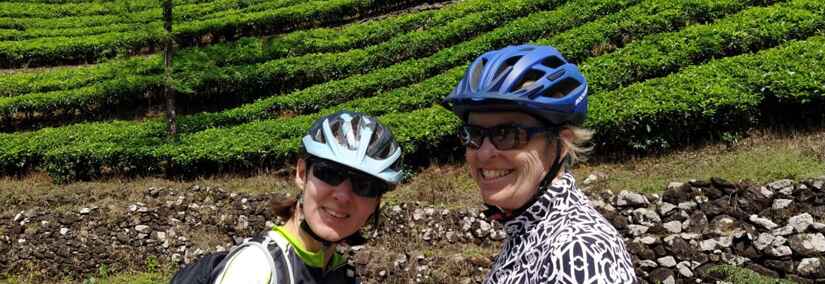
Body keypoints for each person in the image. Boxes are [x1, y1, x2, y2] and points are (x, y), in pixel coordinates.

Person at [442, 44, 637, 283]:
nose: (483, 153)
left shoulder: (579, 252)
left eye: (507, 134)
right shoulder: (528, 227)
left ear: (561, 145)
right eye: (472, 134)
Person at [173, 110, 403, 284]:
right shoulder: (256, 267)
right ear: (302, 174)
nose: (343, 196)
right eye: (329, 173)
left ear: (376, 203)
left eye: (365, 185)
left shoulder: (340, 271)